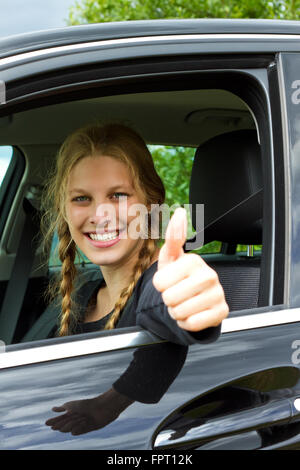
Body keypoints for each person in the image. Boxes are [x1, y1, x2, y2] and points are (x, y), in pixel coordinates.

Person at [41, 122, 229, 343]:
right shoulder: (83, 295)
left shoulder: (157, 285)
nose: (100, 216)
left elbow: (164, 303)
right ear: (63, 209)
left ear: (151, 202)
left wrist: (192, 304)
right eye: (81, 198)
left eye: (118, 195)